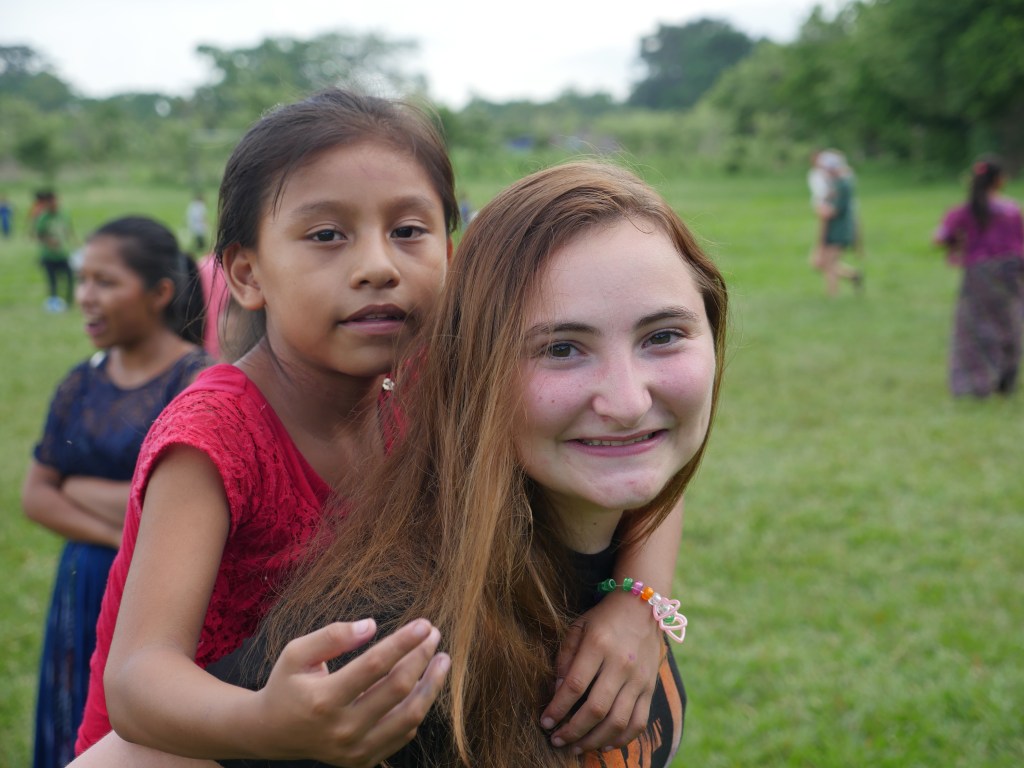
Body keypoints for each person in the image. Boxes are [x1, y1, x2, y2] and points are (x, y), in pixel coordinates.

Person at [75, 90, 677, 762]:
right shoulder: (217, 436)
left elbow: (635, 459)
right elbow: (136, 683)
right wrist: (267, 722)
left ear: (450, 253)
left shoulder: (437, 383)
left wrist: (639, 602)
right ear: (247, 274)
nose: (378, 267)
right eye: (326, 236)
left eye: (409, 231)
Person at [21, 215, 212, 768]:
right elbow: (37, 495)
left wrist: (78, 487)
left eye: (105, 282)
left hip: (155, 594)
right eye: (83, 279)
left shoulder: (197, 382)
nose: (86, 296)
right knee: (72, 718)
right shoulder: (81, 382)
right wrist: (124, 535)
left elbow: (178, 505)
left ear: (160, 293)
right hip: (82, 583)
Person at [933, 154, 1024, 397]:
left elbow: (939, 237)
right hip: (1010, 273)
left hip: (978, 275)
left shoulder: (963, 210)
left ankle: (973, 384)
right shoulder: (1011, 210)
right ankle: (1005, 381)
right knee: (1010, 324)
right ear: (1000, 180)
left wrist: (957, 244)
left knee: (974, 328)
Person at [808, 150, 863, 296]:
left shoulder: (842, 185)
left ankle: (832, 296)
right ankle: (853, 275)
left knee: (829, 263)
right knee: (820, 263)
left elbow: (833, 211)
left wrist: (822, 210)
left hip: (838, 230)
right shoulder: (834, 184)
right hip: (832, 229)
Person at [34, 190, 76, 311]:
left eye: (55, 201)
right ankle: (53, 304)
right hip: (48, 256)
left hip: (63, 254)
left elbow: (68, 230)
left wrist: (74, 241)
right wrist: (49, 241)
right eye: (51, 202)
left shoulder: (63, 215)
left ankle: (69, 302)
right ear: (47, 203)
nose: (54, 204)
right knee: (53, 281)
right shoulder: (43, 218)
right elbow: (38, 235)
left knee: (70, 277)